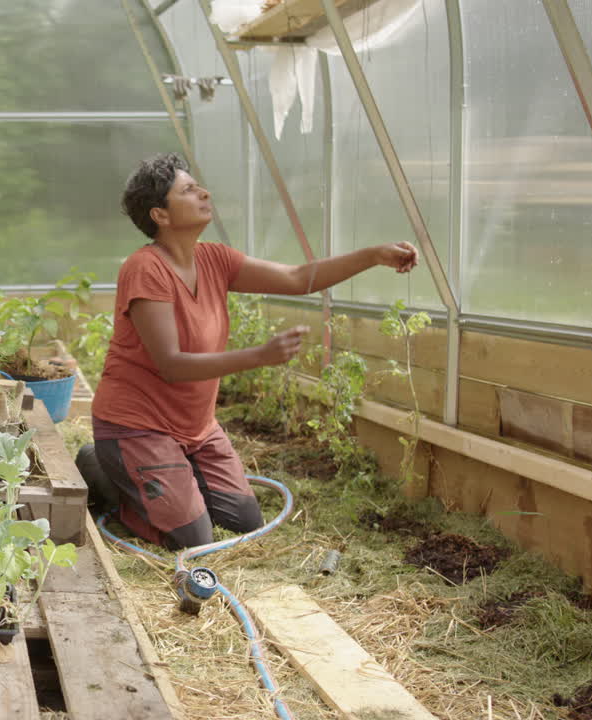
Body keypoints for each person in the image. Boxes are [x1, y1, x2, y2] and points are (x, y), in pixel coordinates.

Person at [79, 153, 419, 550]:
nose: (204, 192)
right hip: (137, 425)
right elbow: (171, 365)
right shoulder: (146, 269)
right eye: (189, 190)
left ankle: (170, 473)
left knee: (241, 520)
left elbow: (296, 278)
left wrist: (373, 256)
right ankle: (101, 467)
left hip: (197, 430)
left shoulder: (216, 259)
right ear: (161, 215)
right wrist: (260, 355)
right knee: (189, 538)